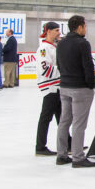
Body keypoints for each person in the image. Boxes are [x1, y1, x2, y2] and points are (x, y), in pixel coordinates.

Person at [57, 15, 95, 168]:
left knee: (64, 121)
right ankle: (78, 157)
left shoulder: (61, 43)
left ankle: (61, 154)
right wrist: (91, 84)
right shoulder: (82, 43)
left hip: (65, 86)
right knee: (79, 124)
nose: (86, 29)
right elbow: (88, 66)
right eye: (85, 26)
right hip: (80, 88)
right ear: (80, 27)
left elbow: (59, 64)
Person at [34, 22, 62, 155]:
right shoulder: (44, 48)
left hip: (57, 86)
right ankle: (40, 146)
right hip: (50, 87)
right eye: (56, 30)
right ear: (49, 31)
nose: (59, 33)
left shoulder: (53, 47)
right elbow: (44, 69)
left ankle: (67, 142)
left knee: (62, 117)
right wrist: (63, 70)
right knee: (46, 117)